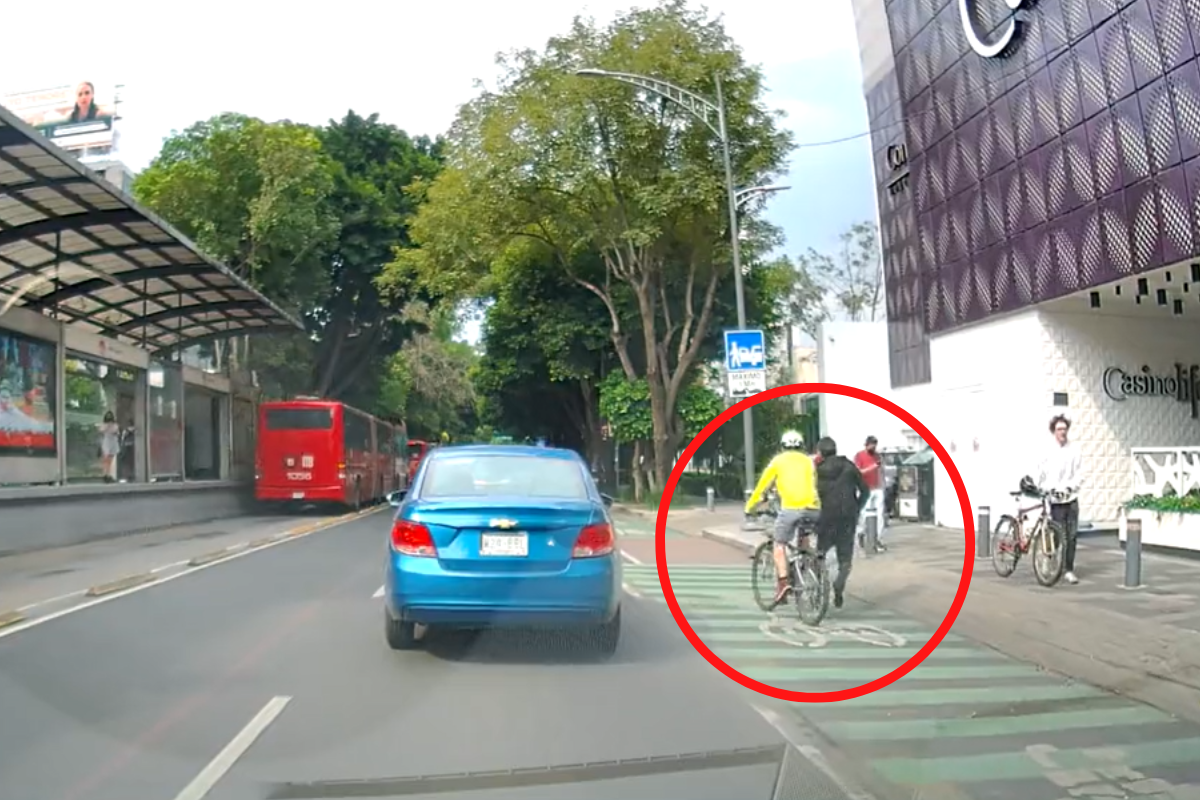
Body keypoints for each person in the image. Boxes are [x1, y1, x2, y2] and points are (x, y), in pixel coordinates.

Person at [744, 430, 821, 608]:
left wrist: (750, 507)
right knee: (804, 536)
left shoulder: (778, 461)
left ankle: (783, 583)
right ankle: (809, 563)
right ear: (801, 446)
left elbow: (762, 486)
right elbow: (813, 484)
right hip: (814, 508)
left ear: (782, 446)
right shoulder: (808, 461)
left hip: (791, 508)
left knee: (779, 544)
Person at [814, 437, 870, 609]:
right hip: (848, 516)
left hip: (827, 517)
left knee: (819, 554)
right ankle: (839, 584)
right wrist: (857, 508)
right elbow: (865, 490)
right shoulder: (849, 467)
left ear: (821, 453)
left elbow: (814, 495)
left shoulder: (818, 471)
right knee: (845, 558)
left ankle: (818, 591)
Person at [1038, 414, 1083, 585]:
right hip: (1055, 499)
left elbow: (1079, 472)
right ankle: (1048, 562)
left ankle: (1069, 569)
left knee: (1071, 536)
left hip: (1070, 498)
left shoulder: (1074, 449)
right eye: (1059, 429)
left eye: (1064, 429)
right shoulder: (1047, 450)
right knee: (1057, 534)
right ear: (1054, 431)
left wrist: (1073, 487)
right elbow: (1040, 471)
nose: (1062, 432)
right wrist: (1043, 487)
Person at [854, 435, 887, 552]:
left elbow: (882, 470)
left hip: (878, 487)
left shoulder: (878, 456)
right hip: (865, 488)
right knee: (865, 514)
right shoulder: (859, 456)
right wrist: (873, 467)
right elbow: (859, 472)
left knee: (880, 514)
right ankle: (862, 532)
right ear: (867, 445)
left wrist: (884, 483)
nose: (873, 447)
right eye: (871, 445)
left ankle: (878, 538)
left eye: (875, 445)